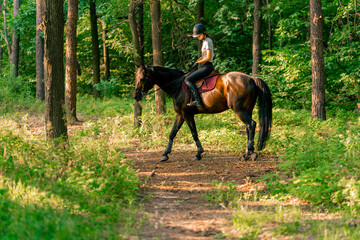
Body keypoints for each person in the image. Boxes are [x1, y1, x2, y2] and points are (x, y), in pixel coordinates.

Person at [185, 23, 214, 107]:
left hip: (207, 66)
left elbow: (208, 57)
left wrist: (199, 62)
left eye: (198, 35)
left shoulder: (208, 41)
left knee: (188, 80)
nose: (197, 37)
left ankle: (198, 100)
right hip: (204, 65)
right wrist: (198, 60)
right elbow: (204, 55)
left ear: (203, 33)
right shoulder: (204, 41)